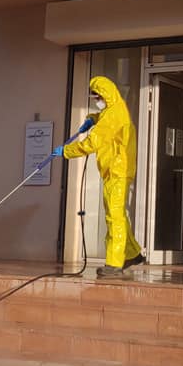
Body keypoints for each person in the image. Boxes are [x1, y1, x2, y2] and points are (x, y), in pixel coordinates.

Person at [53, 76, 145, 278]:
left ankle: (114, 264)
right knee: (118, 214)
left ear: (105, 95)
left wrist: (66, 151)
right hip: (117, 171)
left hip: (116, 172)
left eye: (97, 97)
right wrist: (93, 118)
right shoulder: (116, 108)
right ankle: (132, 253)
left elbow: (92, 144)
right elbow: (105, 118)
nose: (96, 100)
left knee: (114, 217)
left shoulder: (112, 115)